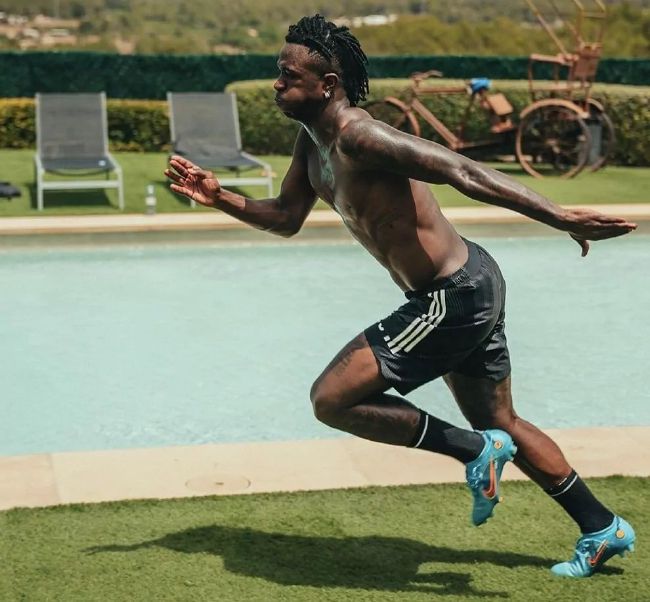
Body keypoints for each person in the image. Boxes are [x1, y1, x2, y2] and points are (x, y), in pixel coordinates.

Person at [165, 14, 637, 578]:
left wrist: (558, 216)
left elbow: (461, 170)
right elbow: (286, 217)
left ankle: (473, 450)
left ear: (327, 85)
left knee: (332, 399)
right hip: (468, 284)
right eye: (278, 73)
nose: (277, 83)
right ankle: (601, 527)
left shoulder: (362, 137)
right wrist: (218, 197)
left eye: (288, 76)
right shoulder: (312, 142)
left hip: (452, 295)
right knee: (500, 419)